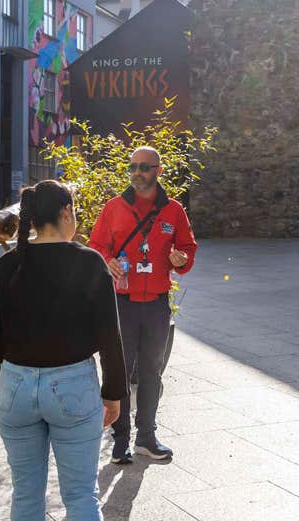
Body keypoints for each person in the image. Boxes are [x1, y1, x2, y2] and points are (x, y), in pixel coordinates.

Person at [0, 180, 127, 521]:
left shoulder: (6, 266)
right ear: (66, 212)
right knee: (81, 496)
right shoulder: (89, 262)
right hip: (72, 384)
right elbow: (110, 335)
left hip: (16, 385)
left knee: (25, 494)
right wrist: (113, 393)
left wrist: (2, 387)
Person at [88, 146, 198, 464]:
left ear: (158, 171)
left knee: (151, 371)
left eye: (144, 167)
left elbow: (188, 247)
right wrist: (107, 259)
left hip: (157, 306)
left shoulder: (173, 210)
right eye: (133, 166)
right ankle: (120, 440)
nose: (137, 172)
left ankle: (146, 437)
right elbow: (96, 245)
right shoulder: (114, 207)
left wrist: (181, 259)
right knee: (118, 371)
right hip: (121, 303)